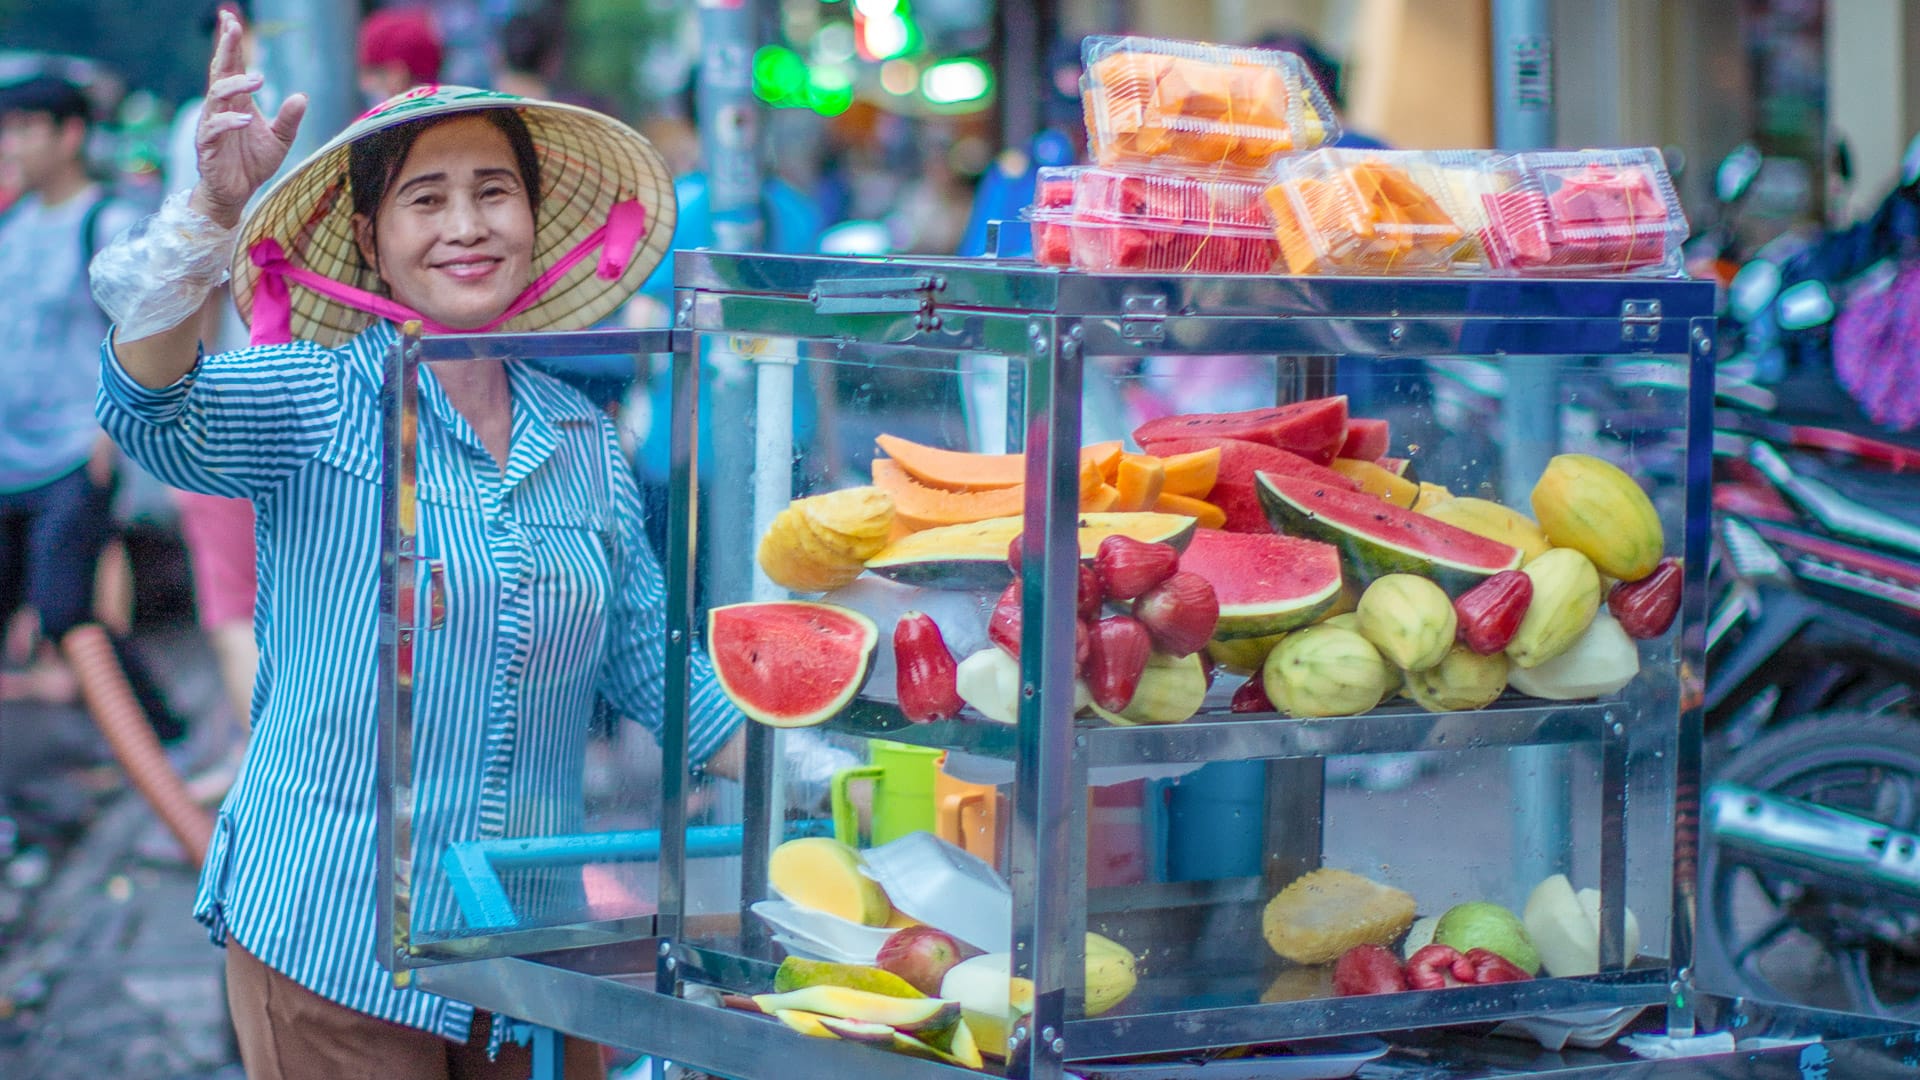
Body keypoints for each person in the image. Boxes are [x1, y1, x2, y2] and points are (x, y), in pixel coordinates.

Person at [90, 12, 743, 1076]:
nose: (465, 225)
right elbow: (149, 407)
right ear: (375, 242)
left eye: (494, 190)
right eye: (424, 200)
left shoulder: (578, 435)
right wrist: (212, 210)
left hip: (531, 950)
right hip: (333, 943)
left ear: (534, 222)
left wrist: (818, 777)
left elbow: (652, 668)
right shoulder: (317, 403)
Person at [0, 73, 146, 707]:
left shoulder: (107, 221)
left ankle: (161, 739)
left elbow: (144, 332)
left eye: (27, 128)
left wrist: (112, 433)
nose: (11, 144)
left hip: (73, 451)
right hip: (9, 455)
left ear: (71, 136)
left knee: (66, 610)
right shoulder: (12, 222)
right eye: (7, 129)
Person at [165, 0, 272, 797]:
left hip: (237, 389)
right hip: (346, 382)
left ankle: (271, 775)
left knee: (235, 603)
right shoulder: (336, 95)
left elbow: (197, 269)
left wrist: (183, 395)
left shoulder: (205, 119)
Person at [357, 6, 445, 107]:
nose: (364, 84)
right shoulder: (454, 112)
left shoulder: (405, 119)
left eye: (372, 72)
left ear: (398, 74)